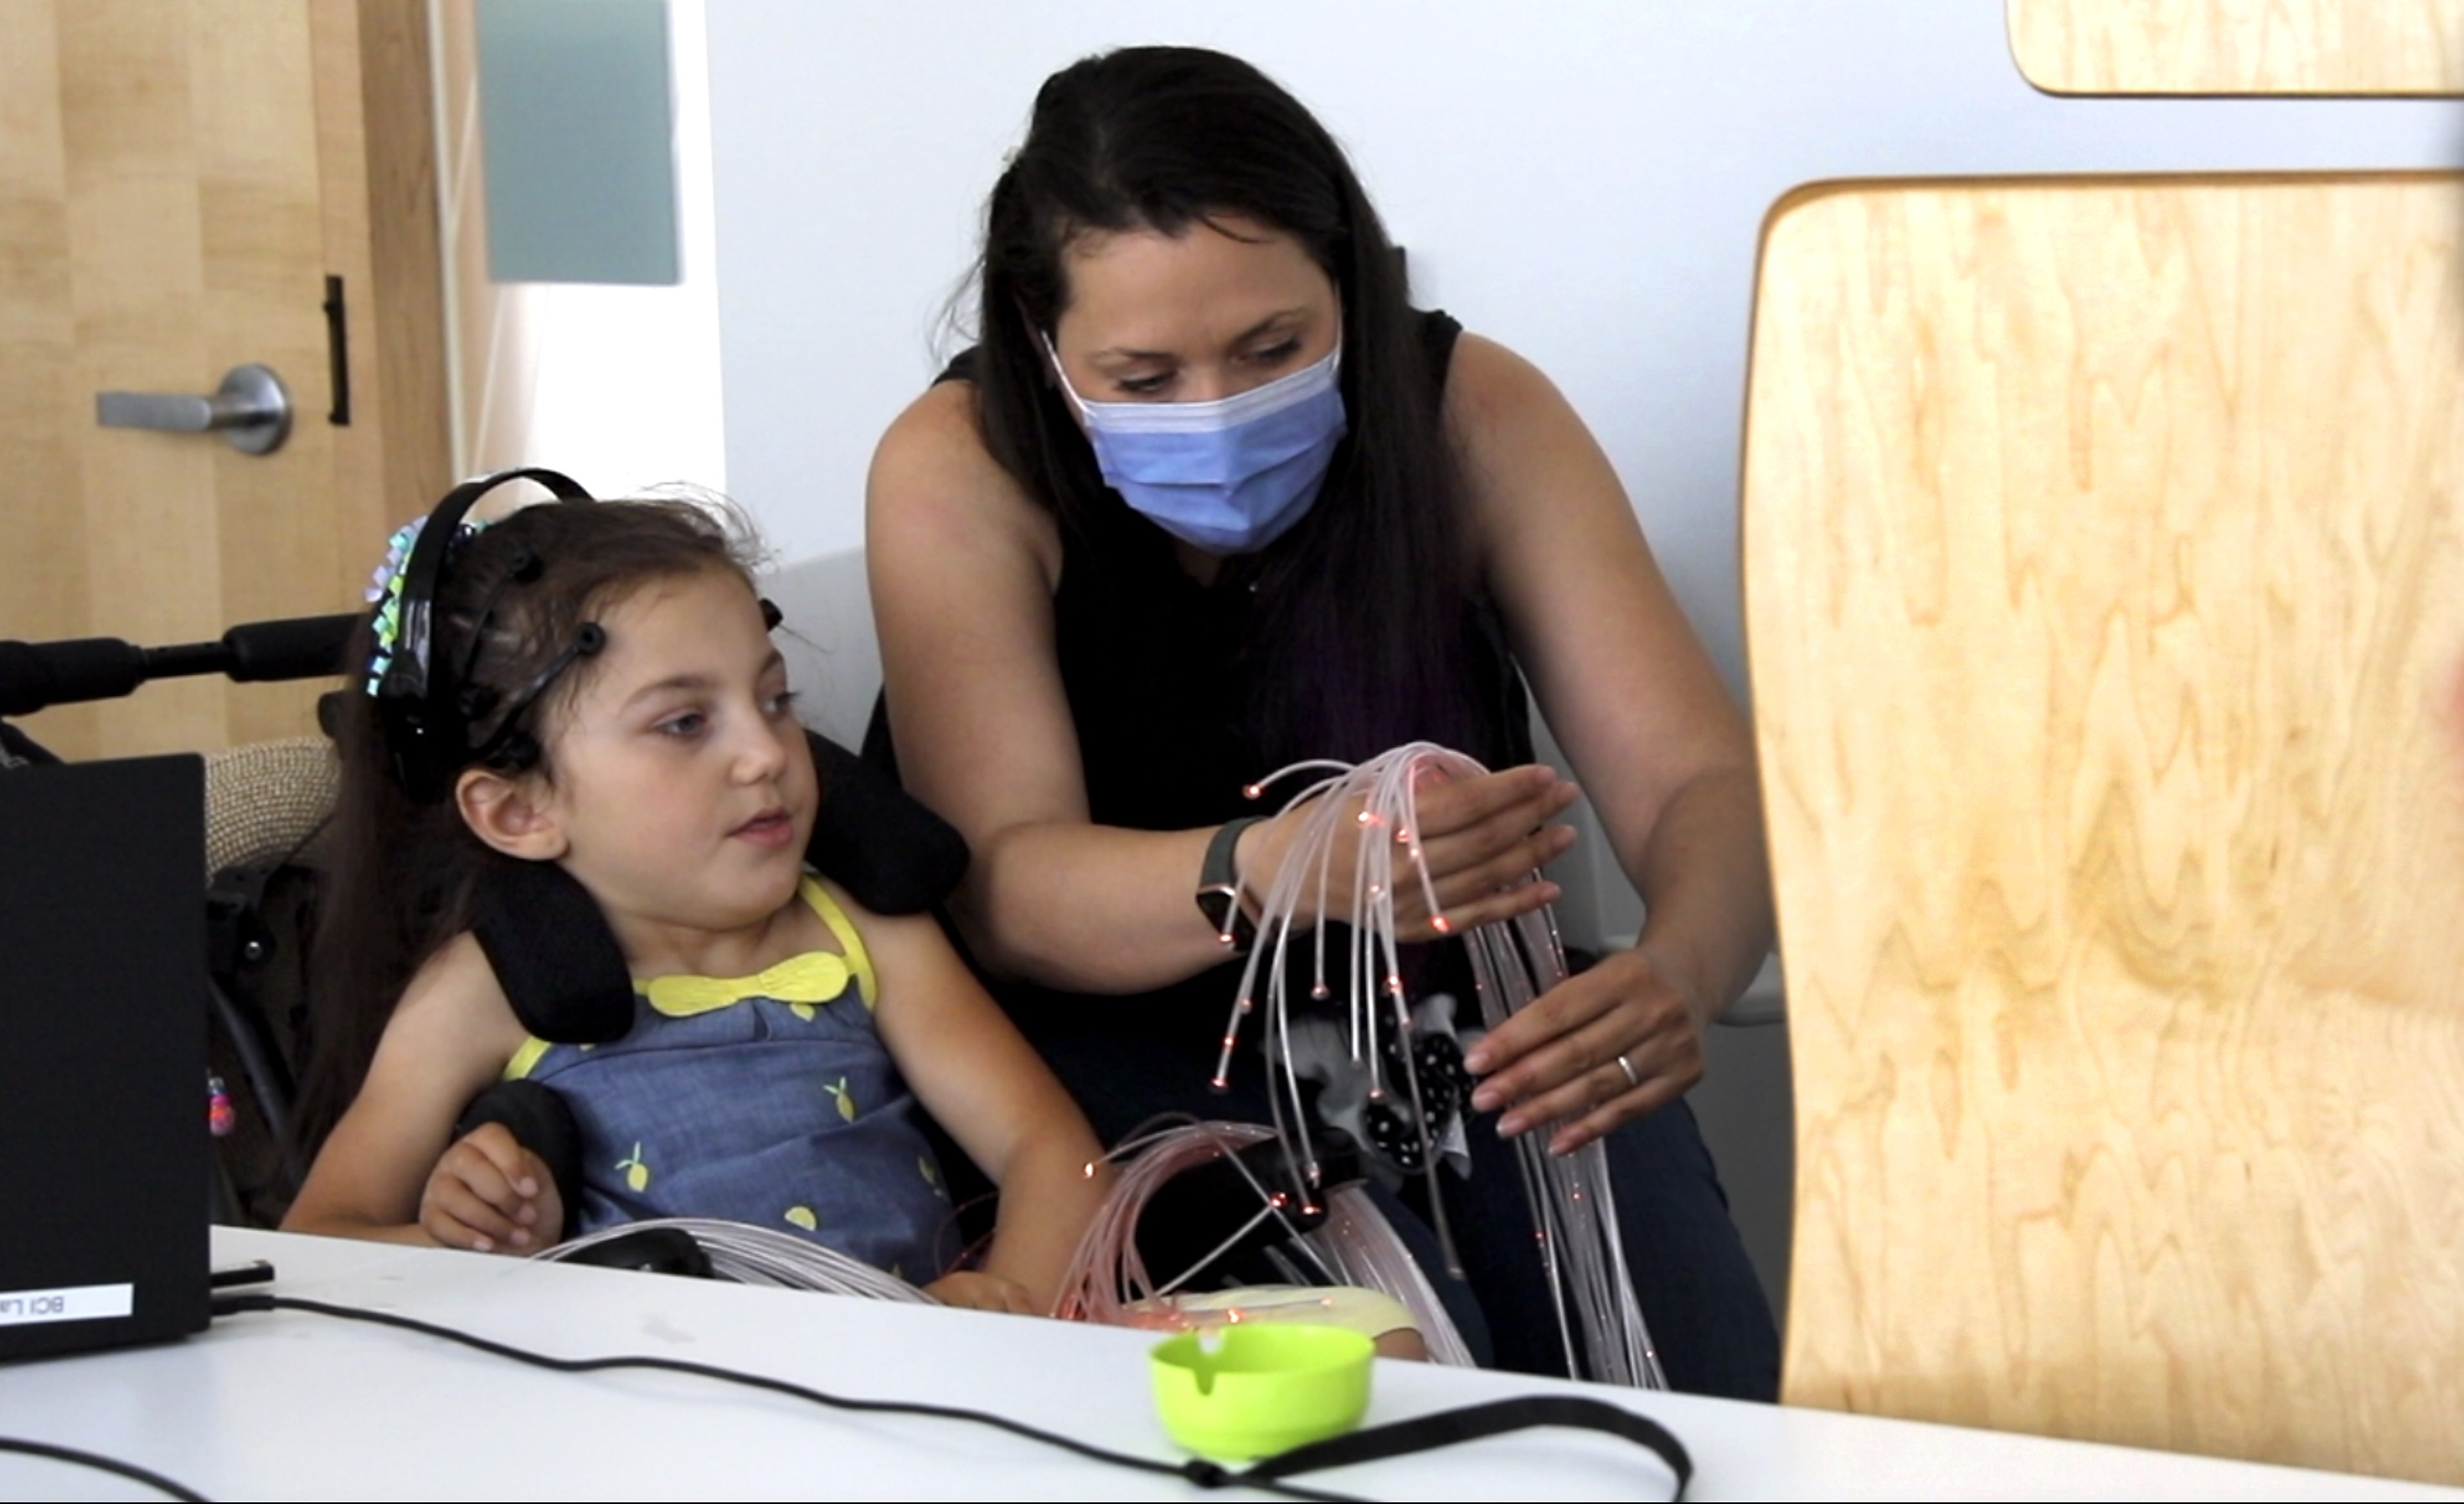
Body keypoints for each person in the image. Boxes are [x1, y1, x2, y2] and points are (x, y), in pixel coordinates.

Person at [864, 46, 1781, 1392]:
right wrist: (1273, 871)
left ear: (1351, 284)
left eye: (1272, 348)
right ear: (1039, 344)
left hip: (1445, 1020)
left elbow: (1697, 781)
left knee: (1667, 1344)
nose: (1218, 412)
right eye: (1140, 375)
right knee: (1387, 1358)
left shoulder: (1472, 413)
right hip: (1110, 1058)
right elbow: (1003, 886)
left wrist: (1676, 974)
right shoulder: (961, 467)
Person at [283, 495, 1108, 1316]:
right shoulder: (480, 990)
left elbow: (1051, 1151)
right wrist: (463, 1243)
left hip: (906, 1394)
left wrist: (1009, 1313)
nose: (765, 753)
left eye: (776, 700)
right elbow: (313, 1243)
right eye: (684, 722)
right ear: (518, 812)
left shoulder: (863, 932)